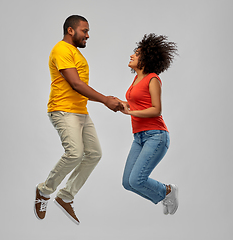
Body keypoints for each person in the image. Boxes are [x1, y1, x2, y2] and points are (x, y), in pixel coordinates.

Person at [34, 15, 123, 224]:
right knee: (75, 153)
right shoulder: (61, 50)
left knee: (94, 154)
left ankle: (65, 196)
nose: (88, 35)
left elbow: (80, 86)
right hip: (63, 110)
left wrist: (112, 100)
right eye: (85, 30)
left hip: (80, 112)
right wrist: (105, 100)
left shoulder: (75, 53)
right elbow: (76, 84)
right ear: (71, 30)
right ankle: (44, 191)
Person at [120, 33, 179, 215]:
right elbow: (137, 103)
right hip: (139, 137)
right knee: (127, 183)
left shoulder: (153, 78)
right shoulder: (136, 79)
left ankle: (167, 191)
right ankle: (164, 194)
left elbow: (156, 109)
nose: (132, 55)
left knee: (137, 180)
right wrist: (119, 104)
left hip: (156, 135)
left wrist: (130, 112)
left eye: (137, 53)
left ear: (146, 58)